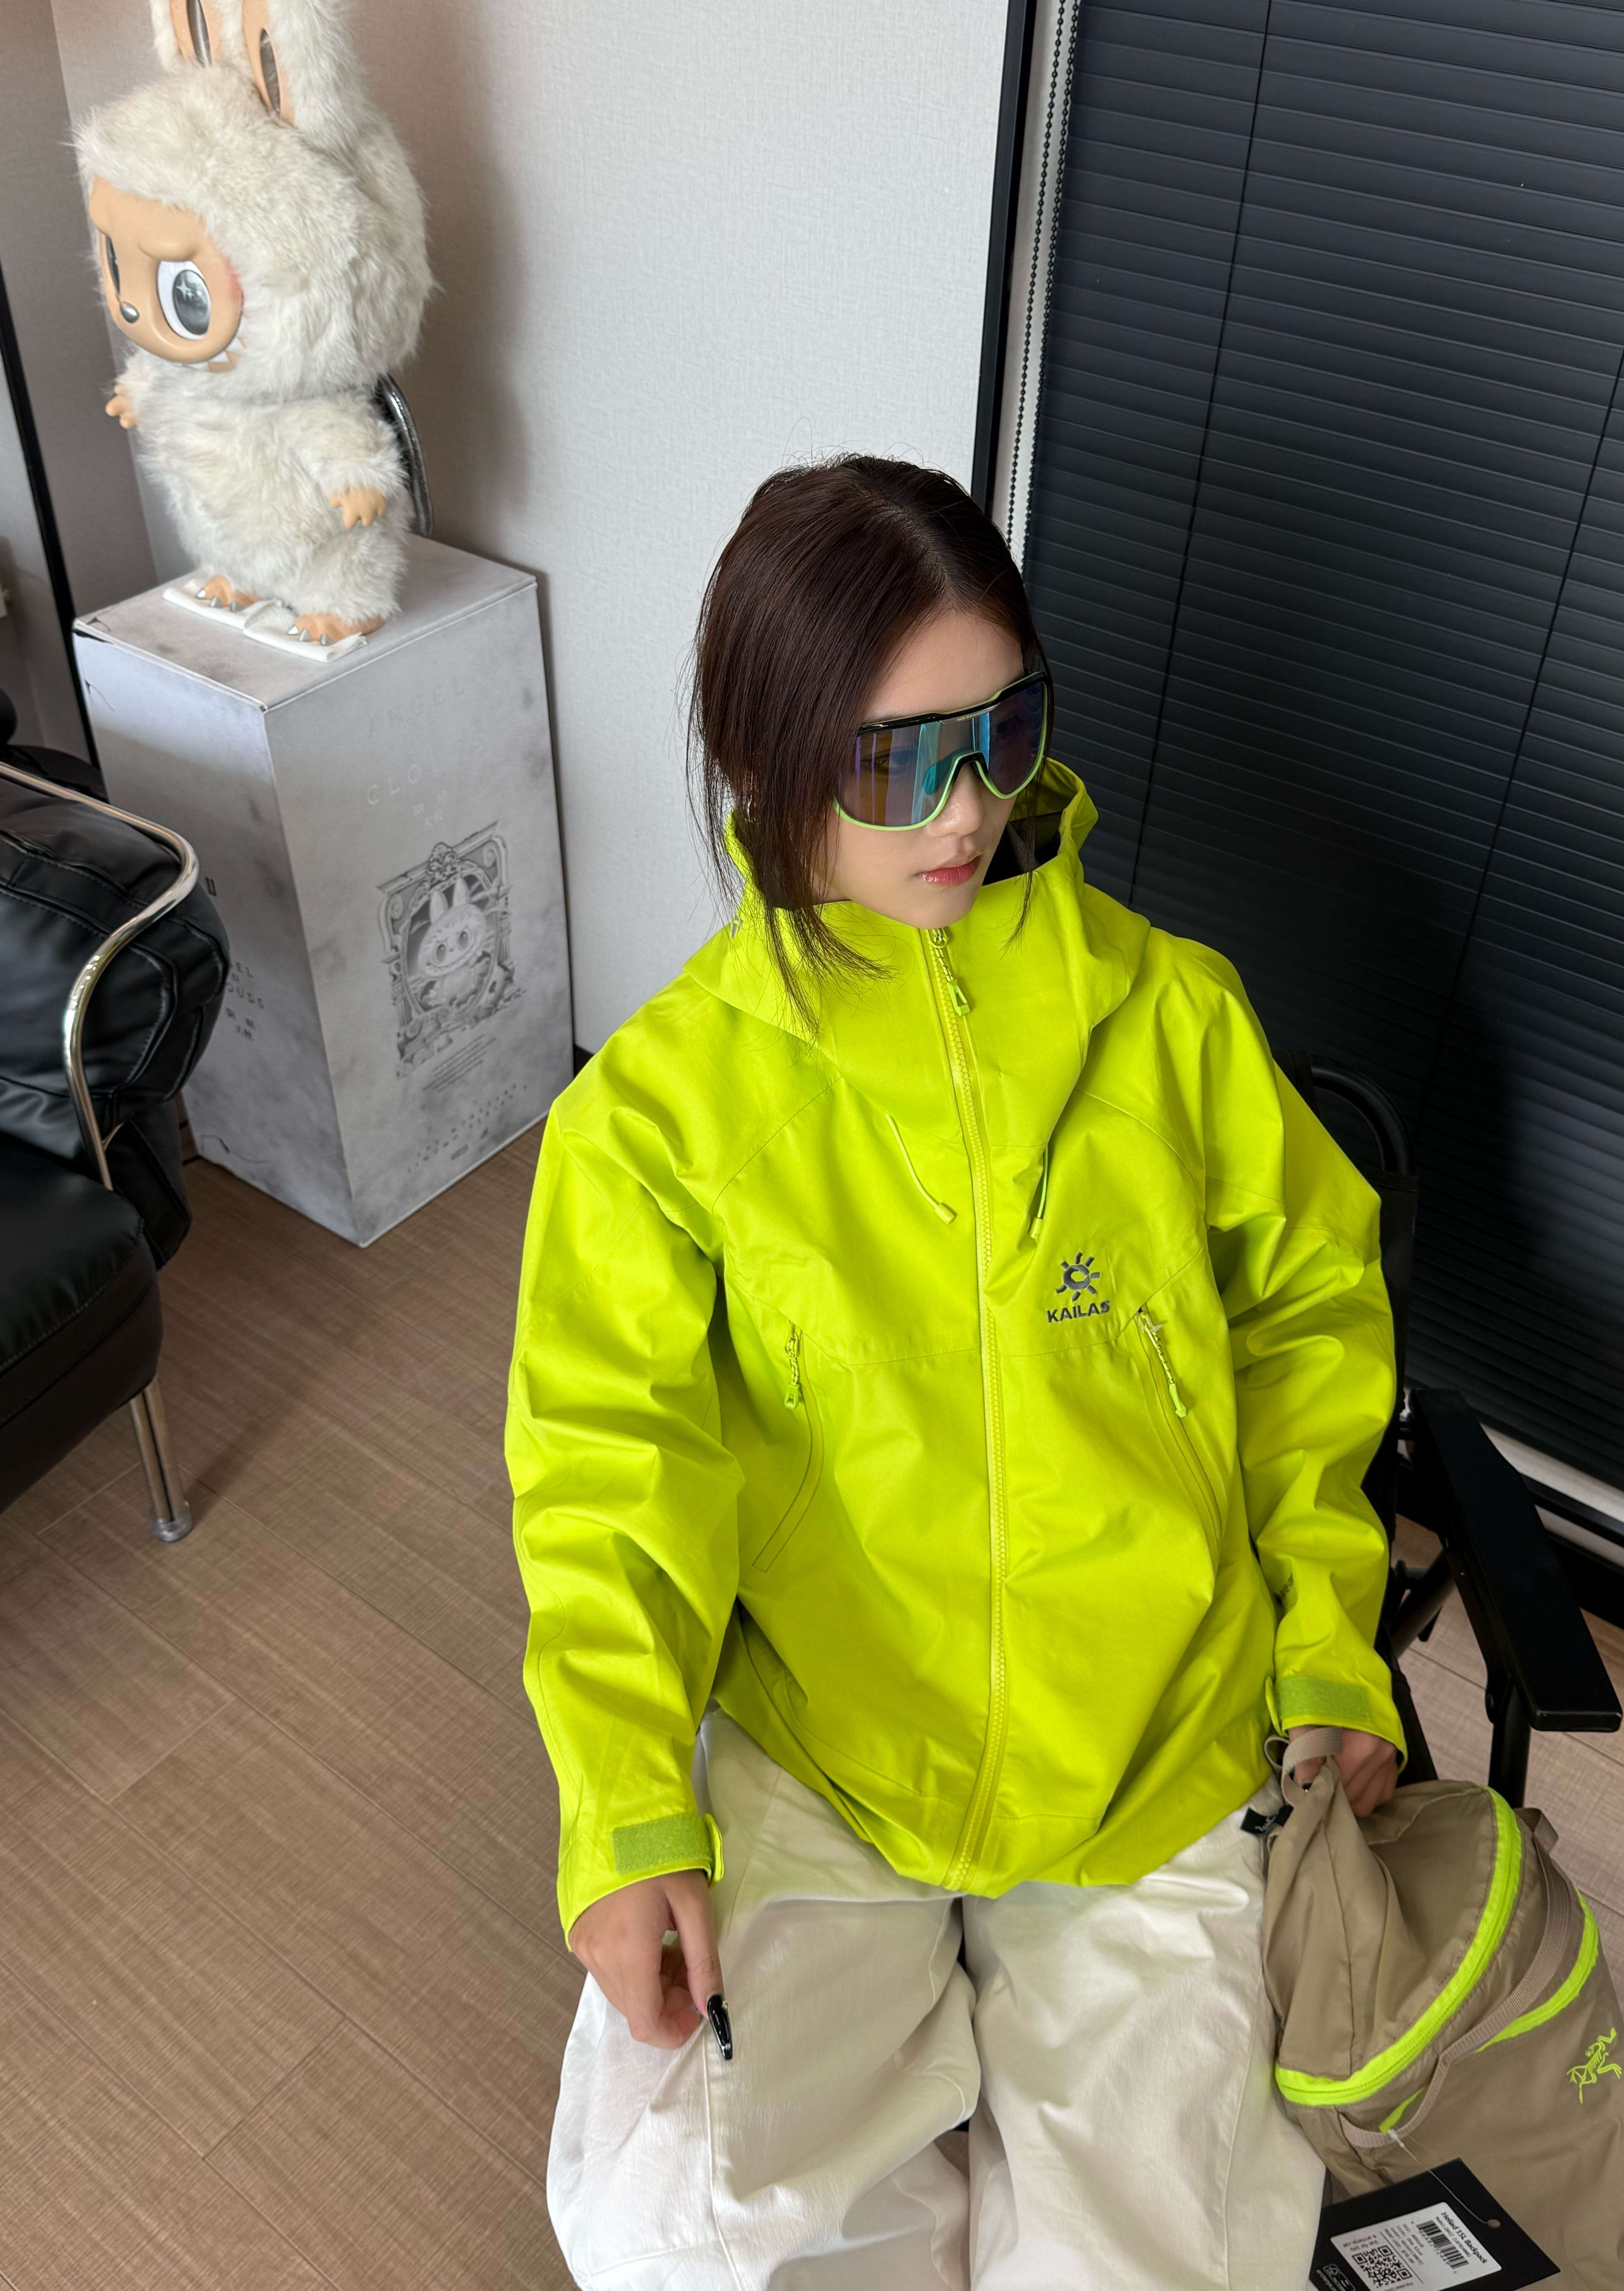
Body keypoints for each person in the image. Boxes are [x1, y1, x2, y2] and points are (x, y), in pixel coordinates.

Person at [506, 456, 1404, 2289]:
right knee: (693, 2248)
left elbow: (1310, 1336)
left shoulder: (1176, 1018)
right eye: (896, 761)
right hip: (828, 1755)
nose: (969, 807)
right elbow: (608, 1468)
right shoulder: (656, 1116)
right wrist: (625, 1805)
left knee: (1151, 2267)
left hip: (1153, 1749)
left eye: (1003, 733)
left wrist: (1324, 1640)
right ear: (762, 761)